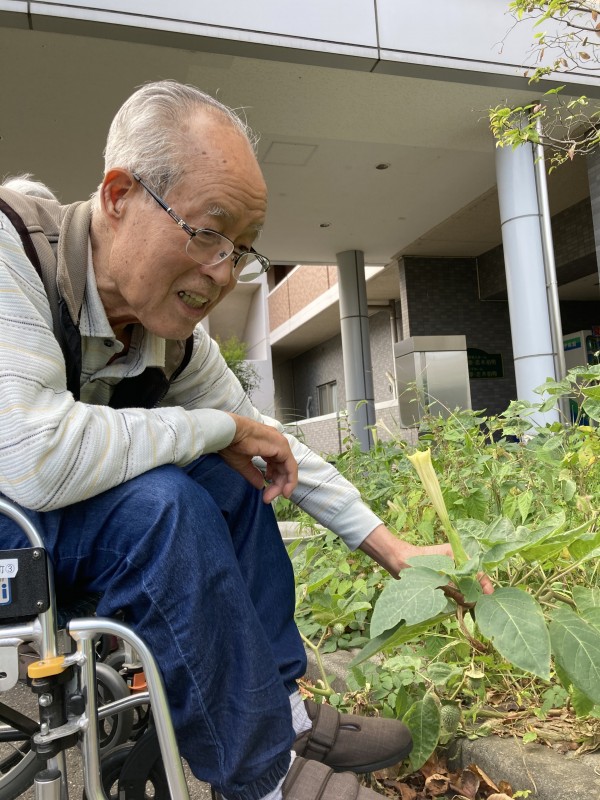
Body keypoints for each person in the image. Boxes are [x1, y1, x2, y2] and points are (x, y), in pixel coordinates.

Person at [0, 81, 492, 800]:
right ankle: (265, 780)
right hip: (11, 527)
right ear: (119, 195)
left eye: (241, 250)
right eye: (209, 232)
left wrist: (396, 551)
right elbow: (33, 455)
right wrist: (220, 429)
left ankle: (283, 717)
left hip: (61, 530)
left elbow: (272, 448)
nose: (223, 273)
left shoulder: (171, 344)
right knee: (163, 502)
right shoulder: (12, 250)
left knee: (234, 478)